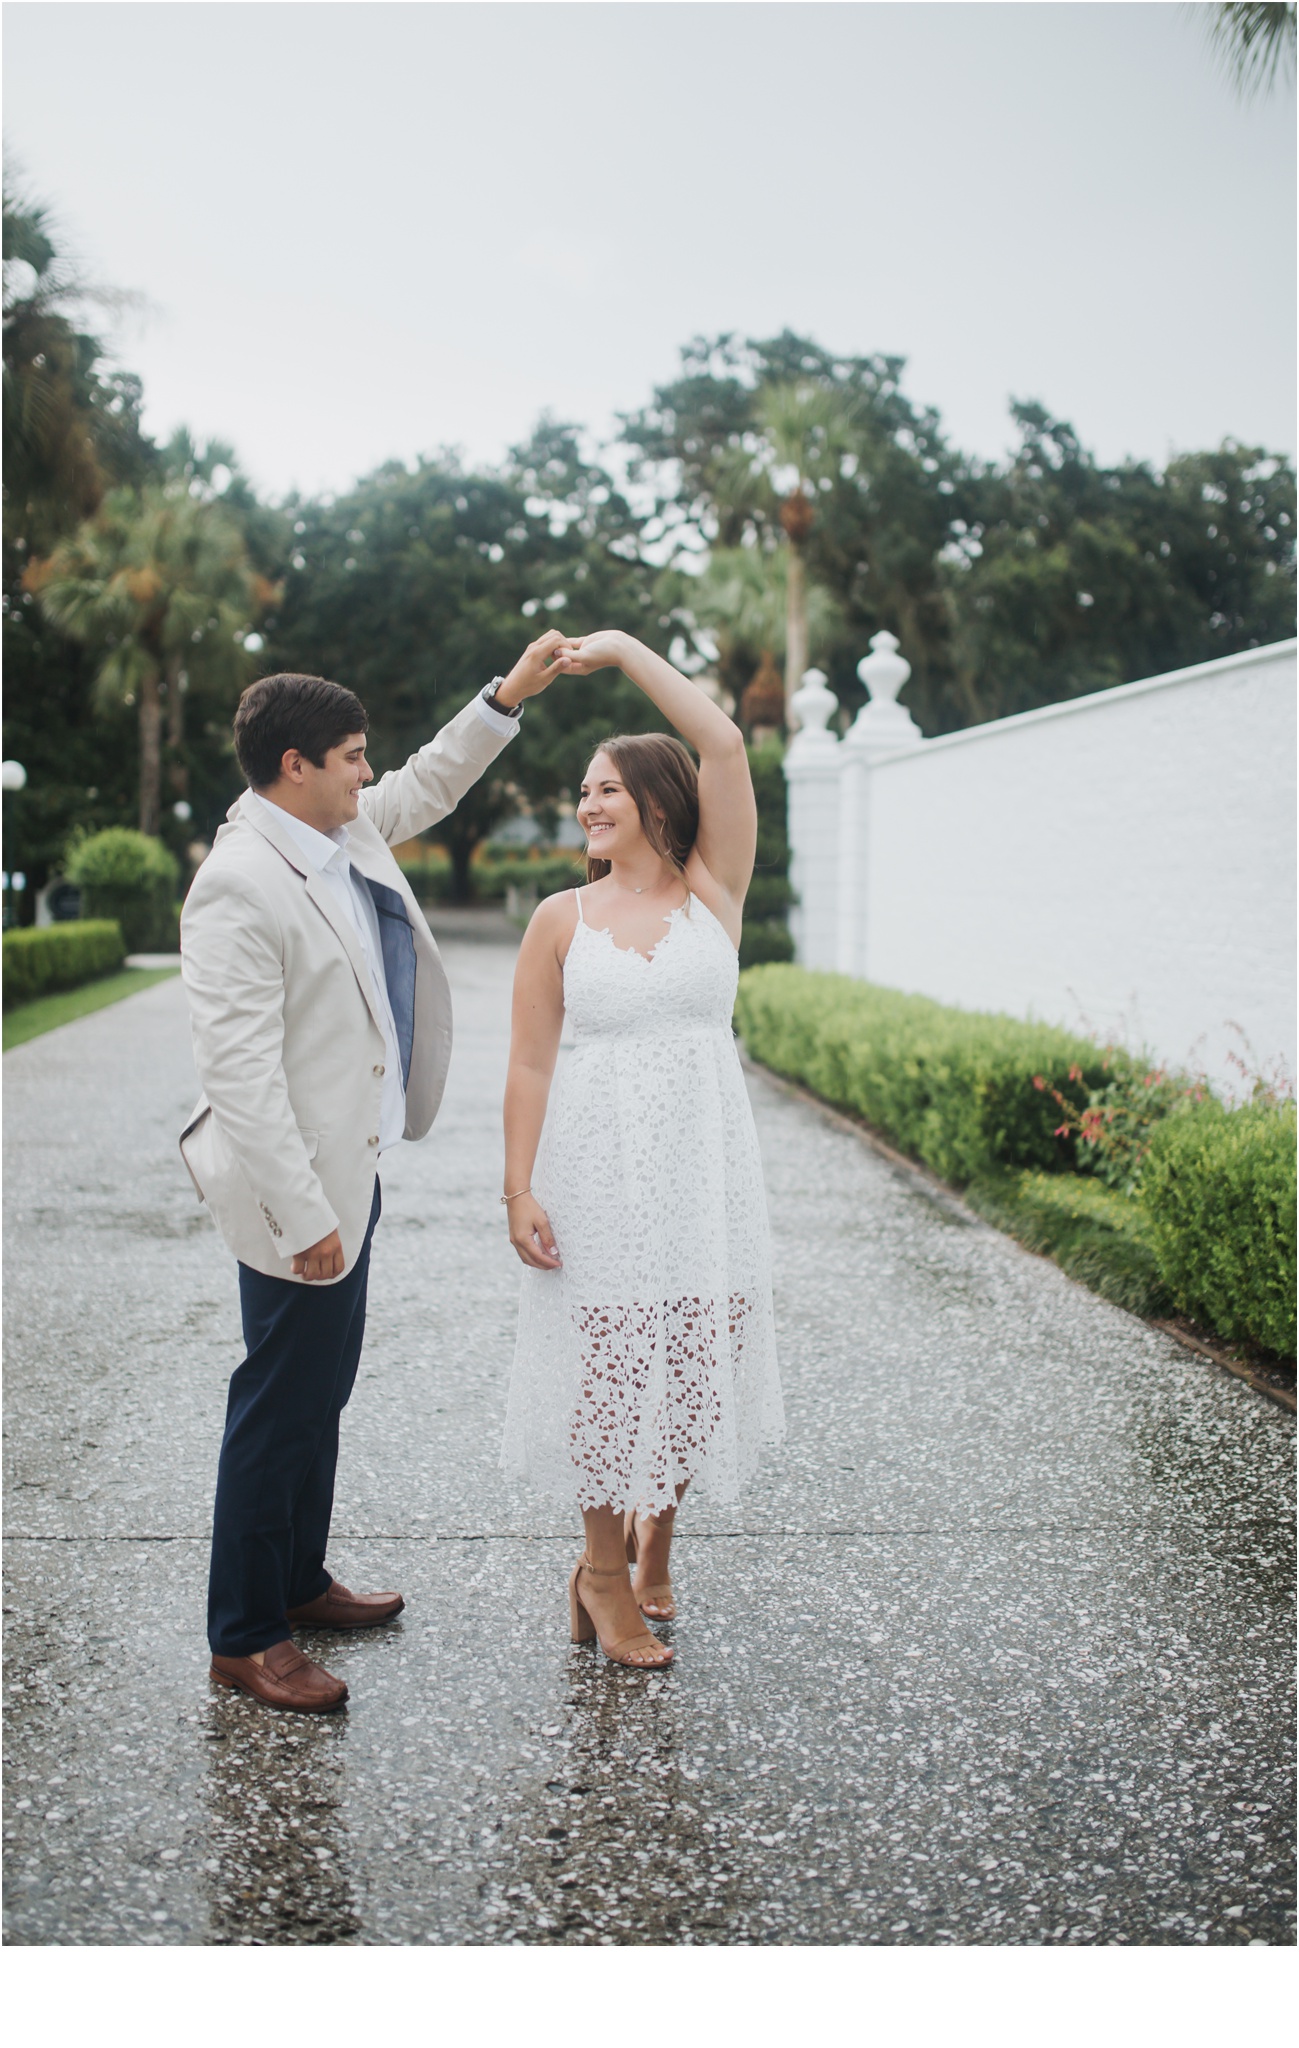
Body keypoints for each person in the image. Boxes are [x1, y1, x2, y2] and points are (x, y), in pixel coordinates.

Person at [180, 633, 571, 1713]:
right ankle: (246, 1634)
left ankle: (298, 1580)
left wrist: (505, 695)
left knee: (319, 1394)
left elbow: (430, 782)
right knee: (276, 1403)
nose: (368, 772)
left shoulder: (336, 833)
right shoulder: (239, 884)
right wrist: (305, 1214)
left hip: (352, 1173)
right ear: (295, 763)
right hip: (295, 1193)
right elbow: (242, 1077)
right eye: (351, 756)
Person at [500, 630, 785, 1668]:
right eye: (584, 790)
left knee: (699, 1363)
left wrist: (621, 651)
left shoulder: (713, 893)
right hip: (600, 1173)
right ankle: (602, 1576)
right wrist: (516, 1187)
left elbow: (723, 743)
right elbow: (529, 1065)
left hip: (707, 1172)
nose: (589, 803)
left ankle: (657, 1532)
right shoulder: (560, 918)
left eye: (608, 786)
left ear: (658, 798)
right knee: (612, 1372)